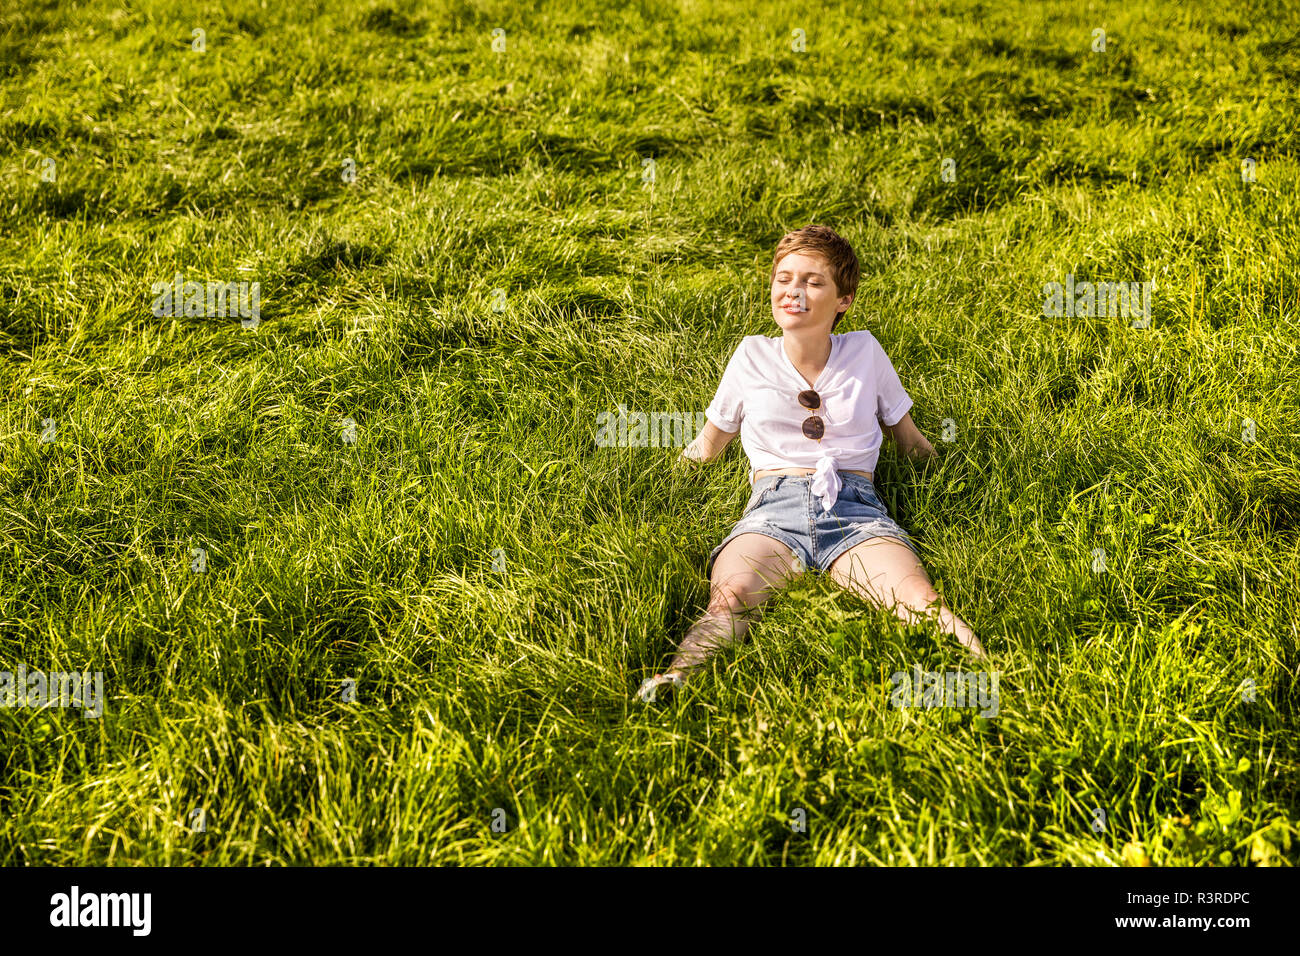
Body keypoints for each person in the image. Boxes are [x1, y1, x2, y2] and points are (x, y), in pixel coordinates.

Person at [636, 225, 985, 704]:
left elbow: (911, 443)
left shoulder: (864, 351)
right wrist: (659, 483)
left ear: (843, 299)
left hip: (856, 510)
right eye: (784, 278)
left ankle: (989, 677)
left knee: (917, 598)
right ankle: (668, 683)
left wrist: (969, 476)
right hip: (771, 510)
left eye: (813, 282)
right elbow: (707, 445)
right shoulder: (750, 356)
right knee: (732, 598)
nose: (793, 291)